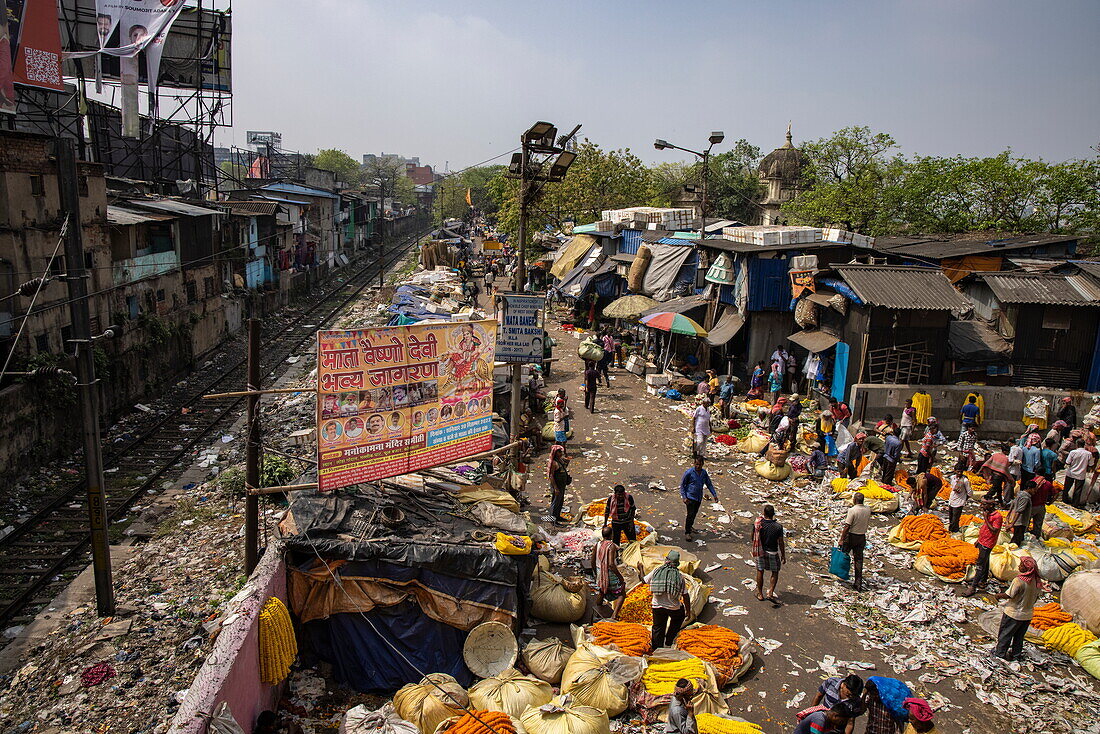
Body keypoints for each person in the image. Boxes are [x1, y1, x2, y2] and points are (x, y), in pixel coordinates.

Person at [994, 556, 1042, 660]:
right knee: (1019, 637)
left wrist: (998, 596)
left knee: (1005, 634)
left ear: (1026, 568)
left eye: (1021, 565)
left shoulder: (1019, 581)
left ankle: (1000, 654)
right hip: (1027, 615)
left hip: (1013, 613)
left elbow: (1010, 594)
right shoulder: (1037, 581)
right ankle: (1016, 655)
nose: (1019, 566)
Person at [646, 550, 690, 650]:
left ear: (667, 560)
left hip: (657, 606)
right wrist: (688, 611)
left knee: (658, 627)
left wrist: (640, 567)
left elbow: (644, 580)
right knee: (677, 619)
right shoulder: (679, 576)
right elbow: (685, 595)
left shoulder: (656, 571)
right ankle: (669, 641)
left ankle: (657, 648)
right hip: (673, 607)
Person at [963, 498, 1004, 596]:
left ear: (991, 505)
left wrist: (986, 518)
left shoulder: (997, 516)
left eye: (984, 504)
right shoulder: (989, 513)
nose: (981, 506)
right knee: (985, 561)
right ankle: (983, 581)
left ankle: (973, 586)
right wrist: (979, 539)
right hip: (983, 540)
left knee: (980, 564)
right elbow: (985, 527)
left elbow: (994, 530)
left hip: (988, 543)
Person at [752, 504, 786, 603]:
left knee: (760, 571)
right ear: (773, 514)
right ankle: (770, 592)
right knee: (775, 572)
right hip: (773, 552)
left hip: (761, 551)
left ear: (764, 513)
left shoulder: (759, 524)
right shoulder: (778, 527)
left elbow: (753, 536)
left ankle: (760, 594)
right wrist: (783, 555)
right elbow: (781, 542)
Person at [592, 526, 627, 619]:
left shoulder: (598, 544)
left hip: (600, 572)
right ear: (611, 535)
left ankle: (597, 613)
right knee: (622, 593)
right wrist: (620, 577)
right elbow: (611, 564)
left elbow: (592, 560)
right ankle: (614, 616)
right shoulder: (611, 546)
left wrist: (595, 572)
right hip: (609, 573)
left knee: (602, 591)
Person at [840, 492, 872, 592]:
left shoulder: (852, 510)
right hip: (861, 537)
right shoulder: (868, 509)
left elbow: (847, 526)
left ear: (854, 500)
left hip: (851, 536)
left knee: (843, 555)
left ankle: (841, 574)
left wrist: (841, 539)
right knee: (858, 560)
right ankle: (858, 583)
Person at [680, 456, 718, 538]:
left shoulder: (704, 473)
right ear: (694, 463)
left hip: (698, 497)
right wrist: (684, 497)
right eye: (696, 464)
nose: (698, 466)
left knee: (694, 514)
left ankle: (690, 526)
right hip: (690, 497)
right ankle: (687, 532)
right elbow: (682, 485)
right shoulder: (689, 472)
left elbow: (709, 484)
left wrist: (714, 494)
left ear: (703, 464)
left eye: (700, 465)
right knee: (690, 514)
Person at [1064, 438, 1096, 508]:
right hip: (1081, 474)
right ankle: (1075, 504)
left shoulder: (1073, 452)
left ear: (1077, 444)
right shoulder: (1088, 454)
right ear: (1084, 445)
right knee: (1077, 490)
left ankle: (1064, 500)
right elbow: (1091, 464)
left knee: (1067, 487)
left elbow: (1068, 462)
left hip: (1071, 473)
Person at [546, 444, 570, 524]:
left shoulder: (560, 460)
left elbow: (563, 469)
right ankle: (552, 520)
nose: (561, 453)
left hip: (562, 485)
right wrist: (555, 488)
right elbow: (551, 475)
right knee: (555, 502)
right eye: (559, 452)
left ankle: (557, 516)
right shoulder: (554, 463)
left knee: (560, 502)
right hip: (557, 486)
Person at [1006, 482, 1033, 546]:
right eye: (1034, 489)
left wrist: (1008, 518)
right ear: (1029, 488)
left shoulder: (1019, 495)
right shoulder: (1025, 498)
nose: (1035, 491)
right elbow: (1019, 511)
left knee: (1017, 537)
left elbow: (1012, 506)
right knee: (1016, 540)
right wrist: (1012, 524)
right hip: (1020, 521)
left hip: (1017, 521)